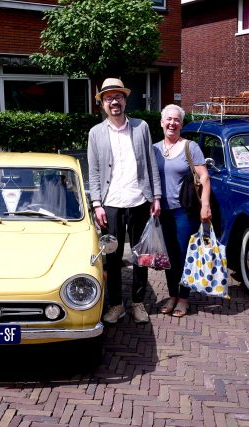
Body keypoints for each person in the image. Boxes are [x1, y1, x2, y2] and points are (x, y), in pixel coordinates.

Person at [87, 77, 162, 324]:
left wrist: (156, 196)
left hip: (140, 200)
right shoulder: (96, 133)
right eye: (108, 98)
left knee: (141, 256)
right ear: (102, 104)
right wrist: (97, 203)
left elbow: (151, 163)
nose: (114, 101)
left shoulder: (141, 127)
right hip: (111, 204)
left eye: (118, 96)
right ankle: (116, 304)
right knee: (113, 257)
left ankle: (138, 303)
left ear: (125, 99)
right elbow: (94, 171)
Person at [153, 105, 211, 318]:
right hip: (162, 213)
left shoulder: (190, 147)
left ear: (181, 124)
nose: (172, 123)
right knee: (169, 257)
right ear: (161, 122)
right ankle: (172, 295)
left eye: (176, 120)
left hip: (183, 212)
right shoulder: (154, 149)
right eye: (168, 119)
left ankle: (184, 298)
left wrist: (205, 205)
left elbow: (204, 177)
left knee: (185, 256)